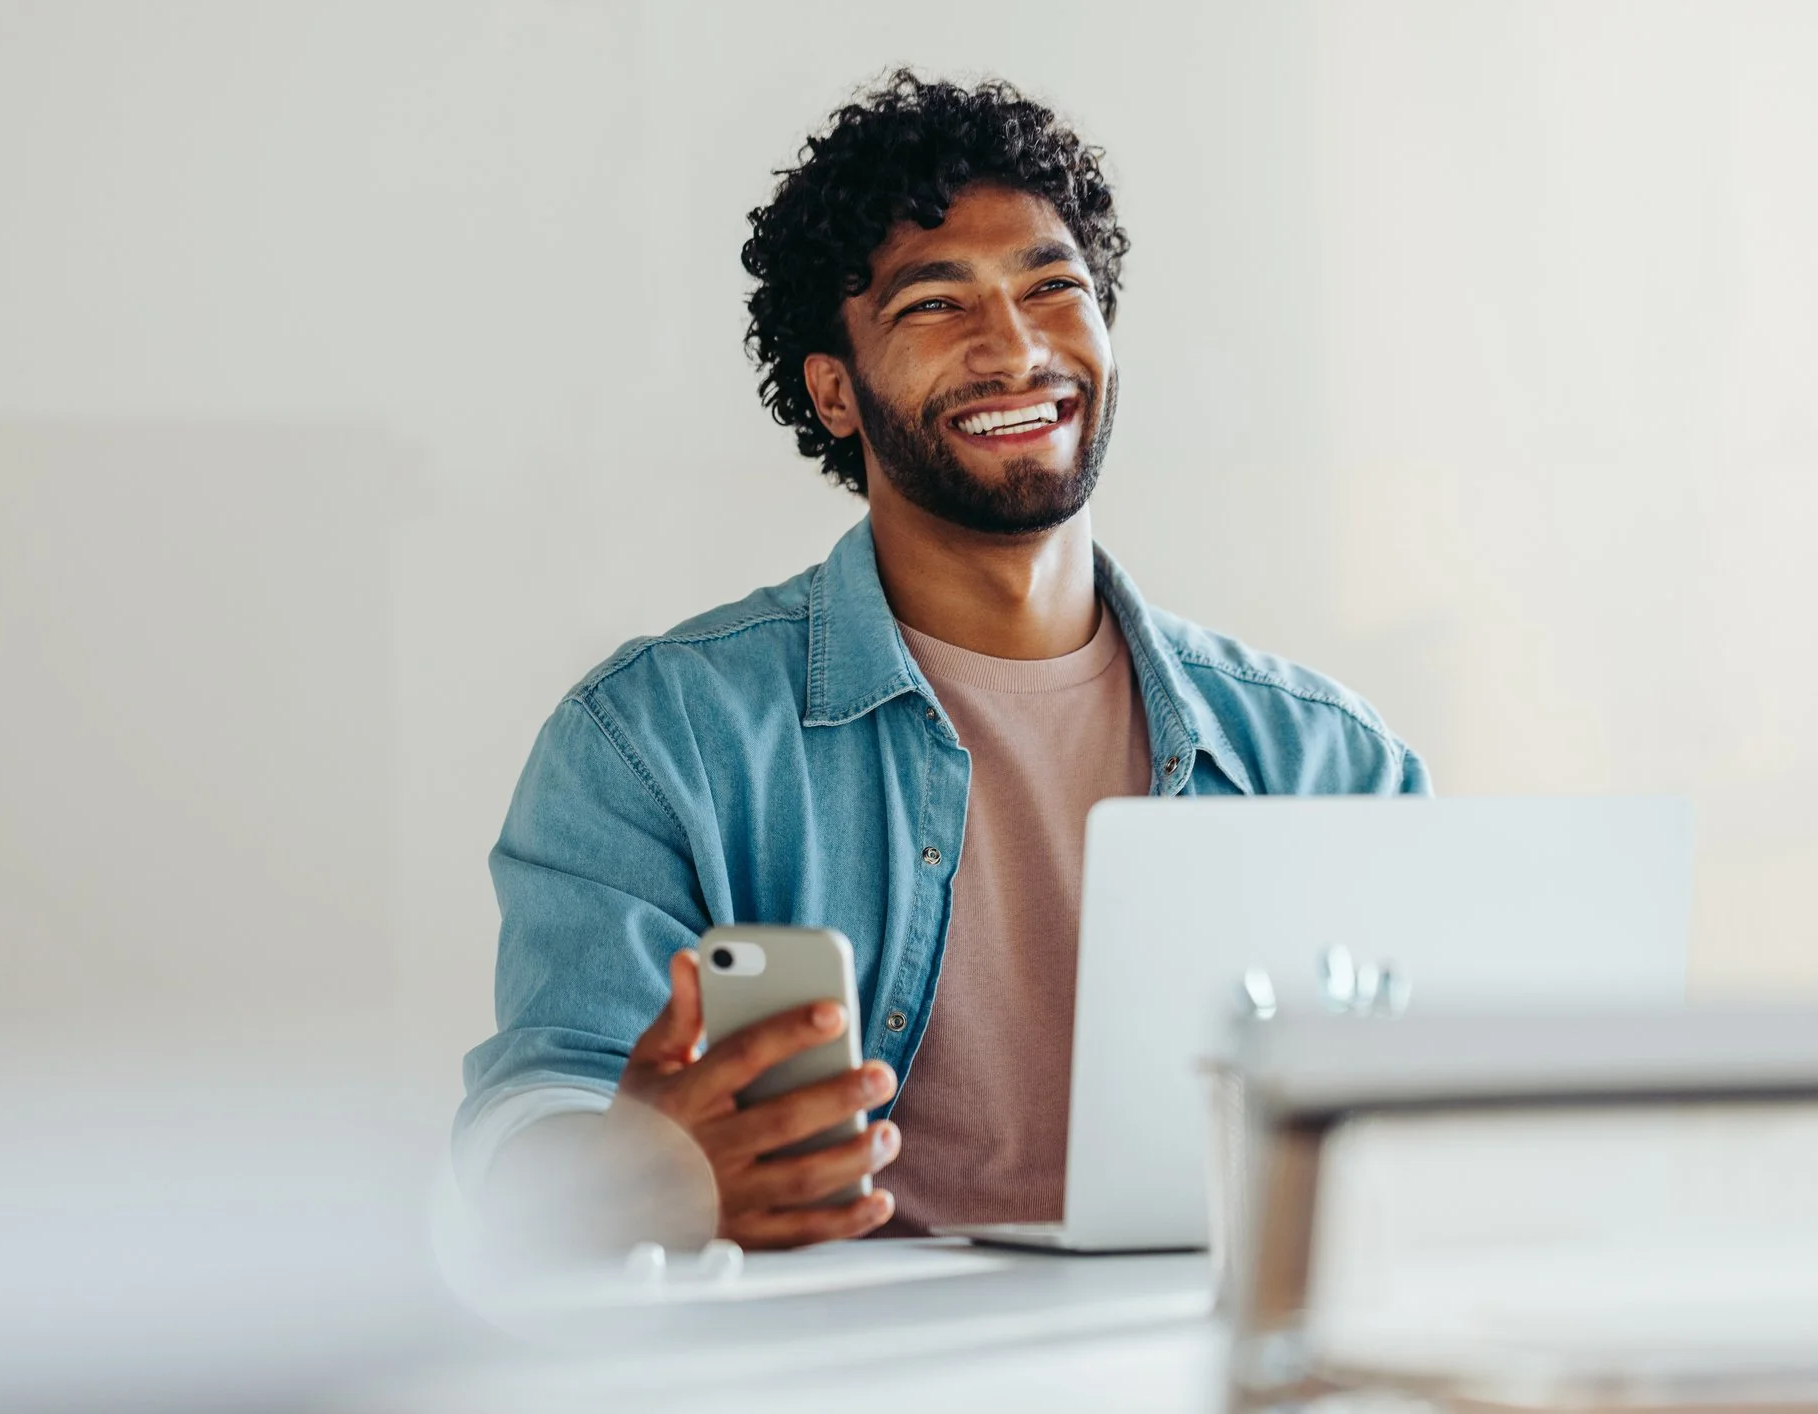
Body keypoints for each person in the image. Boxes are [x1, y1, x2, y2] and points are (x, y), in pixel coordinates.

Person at [458, 71, 1428, 1251]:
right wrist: (638, 1174)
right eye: (934, 306)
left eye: (1051, 289)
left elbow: (1431, 1124)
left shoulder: (1328, 758)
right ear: (833, 390)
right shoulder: (657, 739)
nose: (1014, 349)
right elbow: (533, 1112)